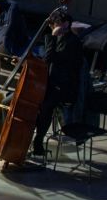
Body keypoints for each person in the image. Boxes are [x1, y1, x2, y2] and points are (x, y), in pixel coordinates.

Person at [33, 11, 84, 156]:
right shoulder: (61, 39)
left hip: (65, 88)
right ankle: (29, 135)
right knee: (33, 100)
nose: (52, 27)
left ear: (66, 24)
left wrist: (52, 36)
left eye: (55, 24)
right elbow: (45, 59)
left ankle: (38, 141)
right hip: (53, 84)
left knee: (45, 106)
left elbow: (50, 58)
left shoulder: (72, 42)